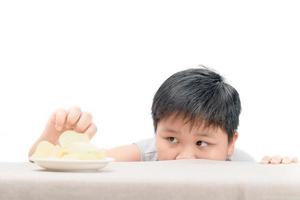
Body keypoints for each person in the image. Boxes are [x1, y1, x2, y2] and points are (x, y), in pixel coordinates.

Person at [28, 66, 296, 164]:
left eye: (202, 143)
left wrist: (280, 169)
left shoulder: (242, 165)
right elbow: (80, 164)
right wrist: (55, 141)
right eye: (171, 139)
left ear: (231, 143)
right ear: (156, 133)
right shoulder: (146, 153)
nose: (185, 157)